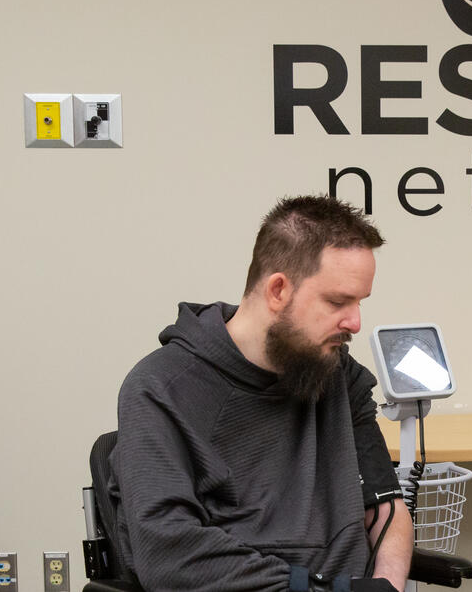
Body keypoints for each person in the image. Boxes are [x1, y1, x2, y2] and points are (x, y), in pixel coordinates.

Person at [110, 195, 411, 592]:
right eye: (338, 301)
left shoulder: (339, 375)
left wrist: (387, 585)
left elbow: (386, 508)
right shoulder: (162, 388)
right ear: (278, 290)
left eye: (359, 302)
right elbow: (169, 557)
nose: (355, 322)